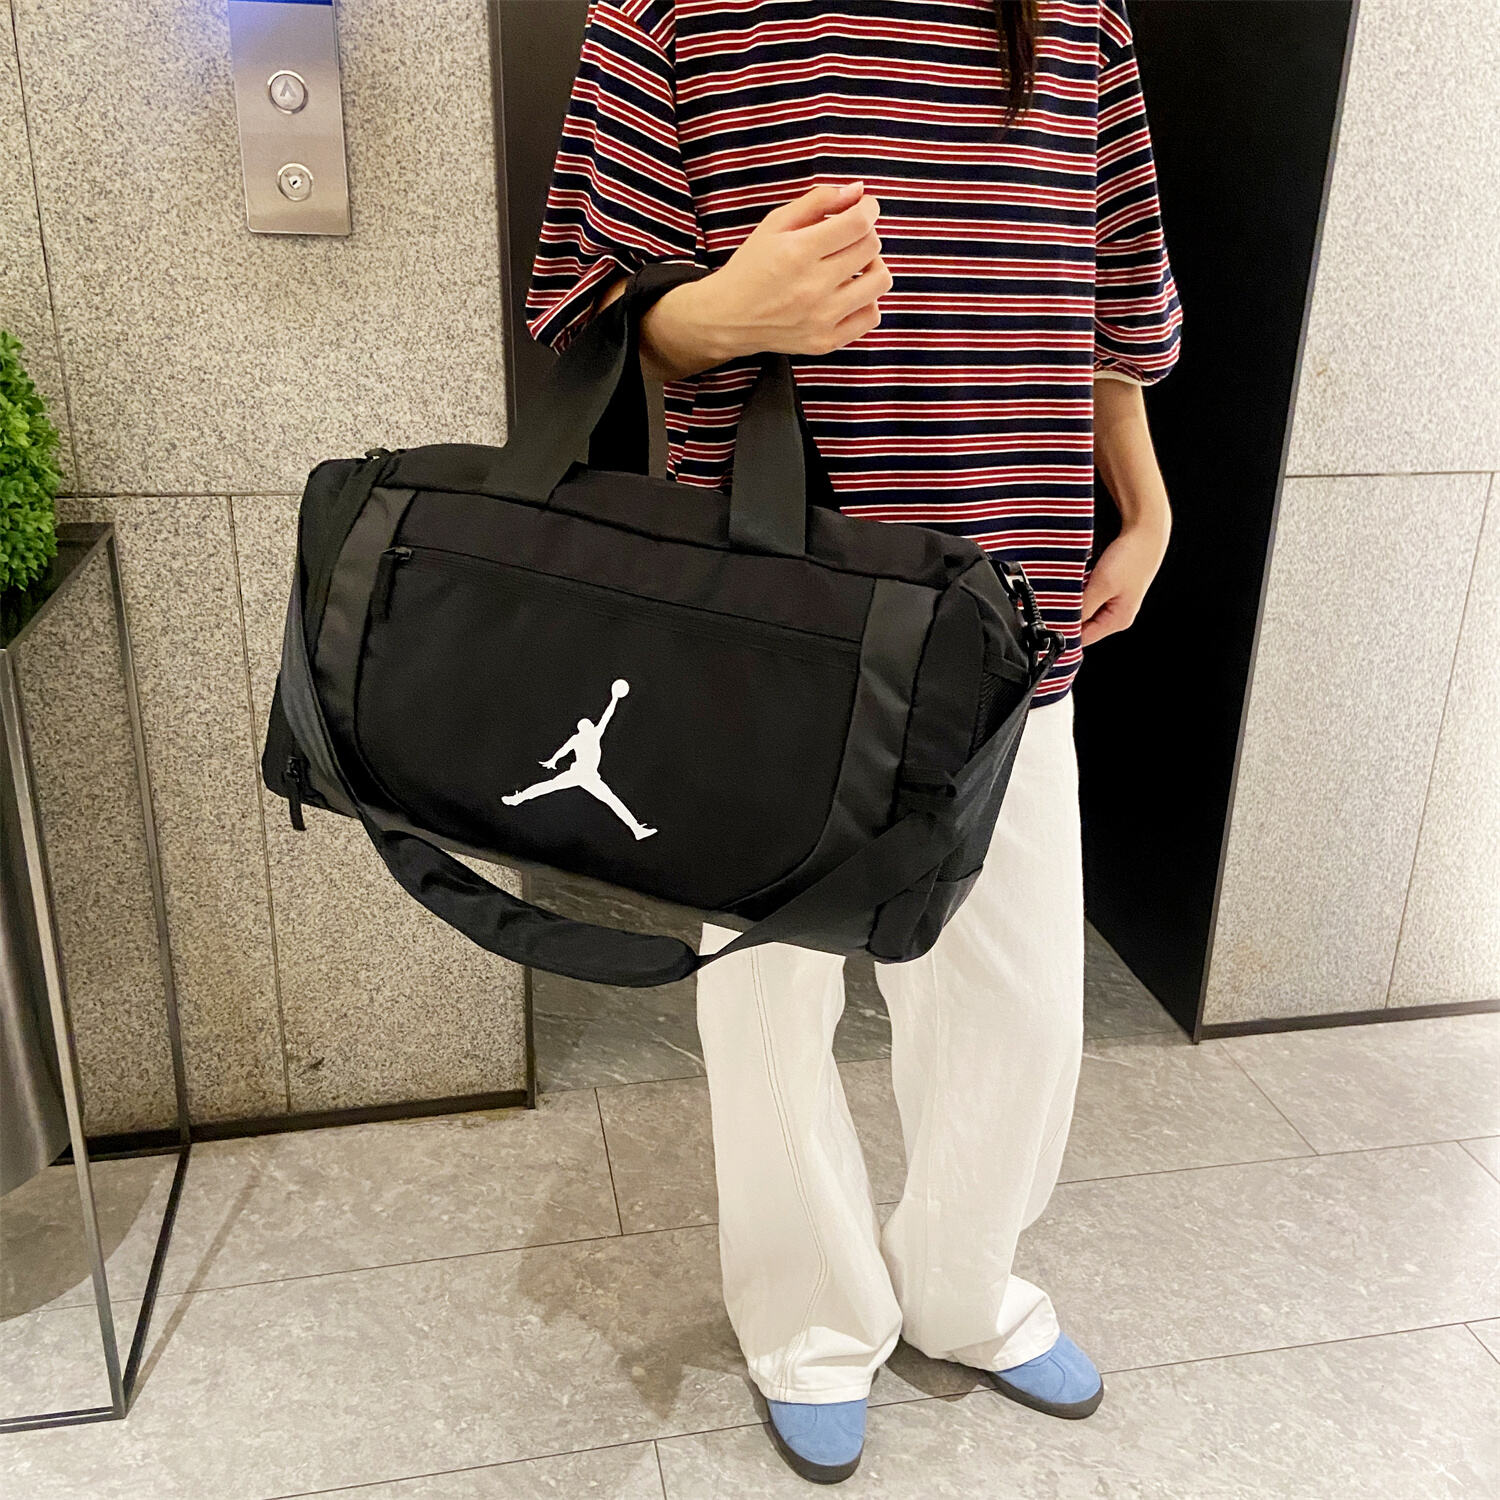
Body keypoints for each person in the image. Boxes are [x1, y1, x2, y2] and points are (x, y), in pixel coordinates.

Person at [526, 0, 1181, 1483]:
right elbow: (590, 318)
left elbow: (1114, 303)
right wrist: (729, 310)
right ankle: (813, 1320)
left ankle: (962, 1283)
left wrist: (1145, 502)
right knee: (767, 998)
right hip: (778, 632)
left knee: (1020, 1005)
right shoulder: (673, 13)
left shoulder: (1075, 20)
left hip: (1010, 627)